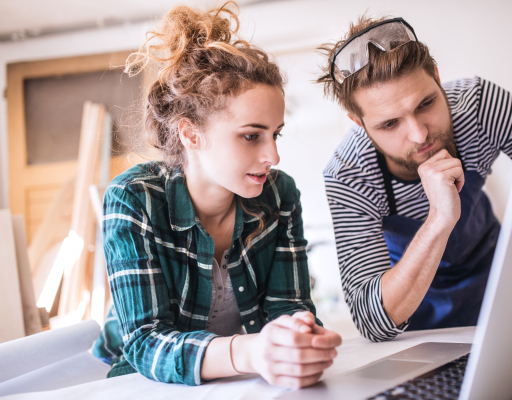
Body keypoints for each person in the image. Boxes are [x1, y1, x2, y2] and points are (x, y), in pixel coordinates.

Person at [92, 2, 341, 388]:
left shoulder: (280, 194)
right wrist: (250, 351)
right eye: (251, 135)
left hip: (231, 379)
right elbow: (145, 343)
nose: (273, 156)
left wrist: (300, 336)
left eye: (275, 134)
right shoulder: (133, 199)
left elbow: (287, 307)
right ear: (190, 134)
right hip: (135, 380)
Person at [317, 16, 512, 342]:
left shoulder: (480, 106)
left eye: (426, 103)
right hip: (415, 317)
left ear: (437, 79)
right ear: (359, 123)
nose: (419, 134)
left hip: (502, 285)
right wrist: (439, 218)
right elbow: (371, 321)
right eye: (390, 124)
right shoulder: (349, 174)